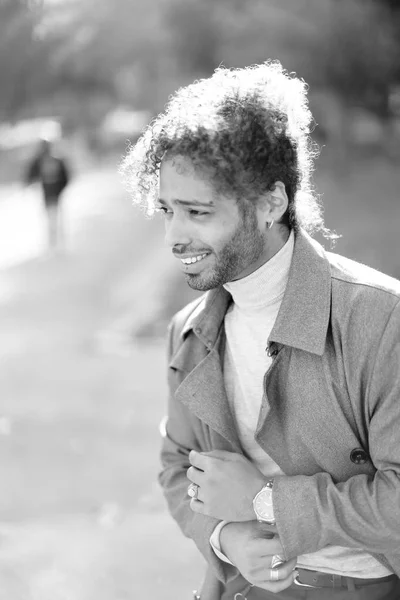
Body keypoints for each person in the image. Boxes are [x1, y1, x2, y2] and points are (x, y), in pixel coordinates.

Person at [120, 61, 400, 599]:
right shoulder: (189, 331)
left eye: (198, 212)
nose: (174, 238)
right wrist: (226, 538)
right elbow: (177, 467)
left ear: (271, 203)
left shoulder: (379, 319)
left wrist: (266, 501)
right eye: (167, 211)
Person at [25, 137, 70, 249]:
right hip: (47, 193)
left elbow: (65, 177)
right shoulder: (40, 161)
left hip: (56, 193)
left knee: (56, 219)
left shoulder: (57, 160)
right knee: (50, 219)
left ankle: (59, 243)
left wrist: (60, 190)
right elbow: (30, 174)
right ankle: (52, 244)